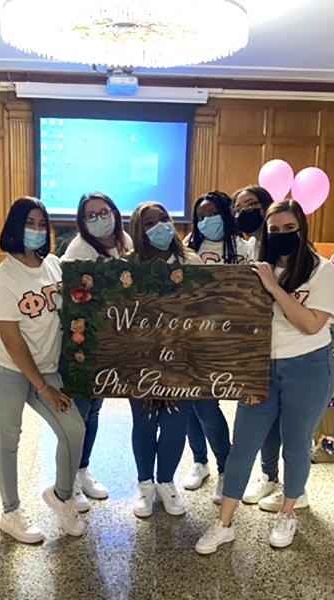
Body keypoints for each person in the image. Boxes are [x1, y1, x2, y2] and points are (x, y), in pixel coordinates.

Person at [196, 199, 334, 554]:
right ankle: (224, 524)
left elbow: (310, 324)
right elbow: (240, 323)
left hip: (307, 367)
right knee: (243, 446)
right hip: (261, 369)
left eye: (288, 229)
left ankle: (288, 513)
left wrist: (274, 288)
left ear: (302, 229)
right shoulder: (256, 268)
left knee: (295, 443)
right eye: (273, 230)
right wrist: (242, 372)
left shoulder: (324, 271)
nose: (280, 236)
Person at [0, 196, 86, 544]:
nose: (37, 230)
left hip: (46, 367)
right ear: (15, 227)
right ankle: (10, 513)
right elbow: (11, 339)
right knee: (9, 440)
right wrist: (42, 387)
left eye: (42, 224)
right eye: (30, 224)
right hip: (4, 370)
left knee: (73, 430)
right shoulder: (4, 275)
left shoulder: (53, 264)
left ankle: (62, 495)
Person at [126, 201, 202, 518]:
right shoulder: (127, 266)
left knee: (175, 425)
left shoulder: (192, 261)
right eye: (149, 223)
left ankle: (166, 482)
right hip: (139, 359)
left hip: (182, 360)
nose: (159, 227)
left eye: (164, 220)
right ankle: (145, 485)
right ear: (138, 232)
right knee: (144, 423)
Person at [60, 192, 133, 512]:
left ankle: (82, 470)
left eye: (104, 212)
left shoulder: (124, 241)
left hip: (110, 343)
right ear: (81, 221)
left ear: (115, 213)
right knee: (76, 415)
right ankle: (67, 481)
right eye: (91, 215)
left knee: (93, 411)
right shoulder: (77, 251)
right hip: (83, 344)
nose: (100, 219)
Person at [179, 190, 249, 502]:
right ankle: (199, 461)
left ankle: (226, 468)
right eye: (201, 216)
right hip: (193, 337)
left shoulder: (243, 247)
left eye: (213, 213)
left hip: (228, 340)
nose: (207, 221)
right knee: (192, 404)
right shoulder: (188, 247)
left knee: (207, 405)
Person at [231, 184, 289, 512]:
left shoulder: (284, 253)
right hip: (255, 348)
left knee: (288, 422)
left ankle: (292, 486)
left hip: (287, 347)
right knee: (262, 417)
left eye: (252, 205)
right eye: (239, 208)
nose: (245, 212)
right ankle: (269, 476)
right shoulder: (249, 247)